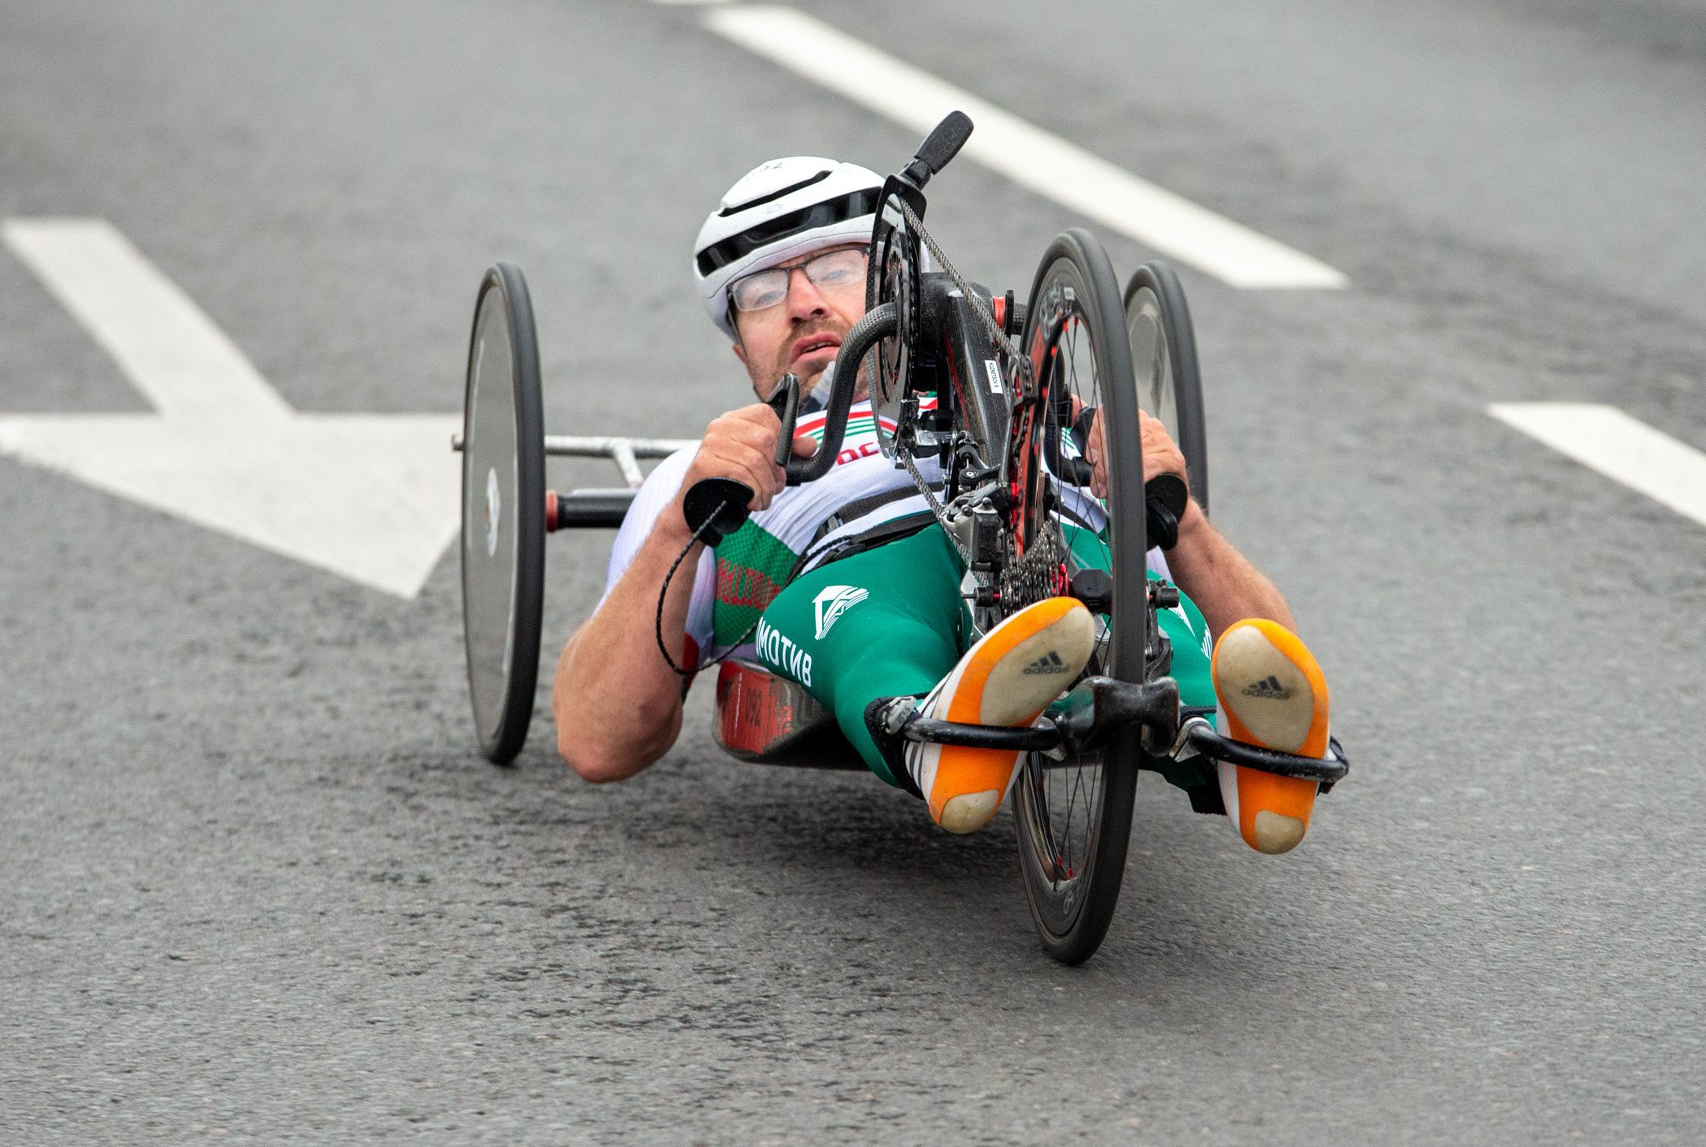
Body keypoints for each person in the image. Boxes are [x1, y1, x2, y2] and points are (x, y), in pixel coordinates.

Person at [551, 155, 1335, 855]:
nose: (799, 302)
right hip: (846, 566)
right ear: (739, 347)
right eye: (759, 290)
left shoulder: (1040, 415)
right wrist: (673, 529)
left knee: (1140, 602)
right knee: (850, 613)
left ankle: (1245, 765)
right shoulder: (708, 467)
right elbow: (597, 740)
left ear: (898, 280)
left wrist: (1177, 512)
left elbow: (1272, 639)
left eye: (831, 266)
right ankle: (936, 739)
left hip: (1047, 547)